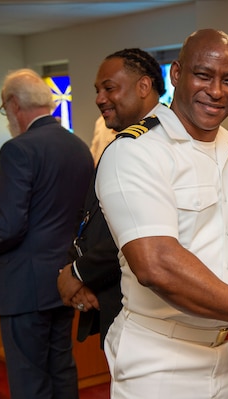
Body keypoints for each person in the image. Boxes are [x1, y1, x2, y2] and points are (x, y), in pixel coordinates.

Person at [95, 29, 228, 398]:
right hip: (161, 360)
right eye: (203, 75)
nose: (216, 91)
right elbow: (158, 266)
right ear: (176, 74)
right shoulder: (136, 152)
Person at [0, 68, 94, 399]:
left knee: (30, 380)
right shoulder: (78, 147)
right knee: (61, 369)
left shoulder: (18, 149)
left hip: (23, 287)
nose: (8, 119)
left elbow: (8, 228)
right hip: (64, 280)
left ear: (15, 104)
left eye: (6, 110)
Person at [57, 48, 166, 349]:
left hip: (145, 313)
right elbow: (89, 216)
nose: (99, 98)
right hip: (108, 300)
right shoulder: (123, 141)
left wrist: (78, 273)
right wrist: (71, 270)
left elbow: (135, 230)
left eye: (109, 88)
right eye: (97, 90)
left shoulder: (162, 143)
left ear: (144, 87)